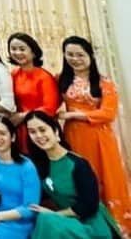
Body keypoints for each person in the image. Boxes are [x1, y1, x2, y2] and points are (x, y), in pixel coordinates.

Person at [57, 36, 131, 232]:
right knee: (80, 178)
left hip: (99, 137)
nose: (75, 59)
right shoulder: (61, 79)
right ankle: (87, 224)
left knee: (104, 177)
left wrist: (74, 114)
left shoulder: (104, 82)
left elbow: (108, 113)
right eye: (70, 54)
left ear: (90, 55)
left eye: (80, 55)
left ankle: (116, 225)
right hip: (73, 136)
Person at [23, 110, 122, 239]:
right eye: (32, 132)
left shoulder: (78, 164)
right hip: (64, 222)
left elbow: (88, 206)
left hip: (91, 224)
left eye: (42, 130)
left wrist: (54, 215)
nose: (38, 135)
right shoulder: (40, 165)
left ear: (56, 131)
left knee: (46, 220)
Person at [7, 32, 58, 152]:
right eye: (13, 49)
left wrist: (23, 116)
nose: (17, 53)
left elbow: (50, 108)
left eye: (22, 49)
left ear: (33, 52)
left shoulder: (44, 77)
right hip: (19, 128)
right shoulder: (14, 74)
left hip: (40, 127)